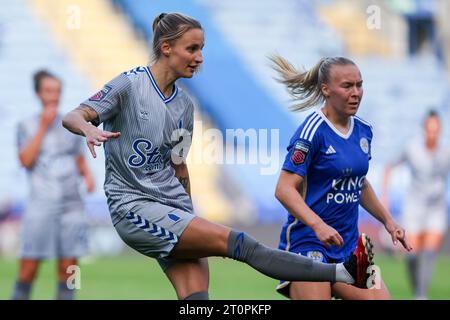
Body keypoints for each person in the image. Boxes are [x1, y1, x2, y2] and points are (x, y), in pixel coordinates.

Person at [61, 12, 372, 300]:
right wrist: (88, 129)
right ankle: (341, 272)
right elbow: (74, 115)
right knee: (239, 243)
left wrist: (188, 215)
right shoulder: (129, 84)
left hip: (173, 212)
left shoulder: (184, 105)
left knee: (198, 302)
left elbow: (178, 165)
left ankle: (341, 271)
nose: (199, 58)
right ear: (167, 48)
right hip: (134, 208)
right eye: (192, 49)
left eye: (202, 49)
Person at [270, 55, 412, 300]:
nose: (356, 92)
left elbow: (359, 183)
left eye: (359, 85)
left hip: (348, 245)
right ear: (326, 89)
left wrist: (388, 221)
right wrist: (318, 225)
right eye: (347, 86)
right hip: (310, 243)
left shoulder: (364, 130)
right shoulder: (312, 132)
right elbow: (284, 189)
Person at [12, 70, 95, 300]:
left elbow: (78, 158)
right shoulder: (26, 125)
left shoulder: (70, 124)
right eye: (48, 91)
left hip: (72, 205)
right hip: (41, 205)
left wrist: (87, 175)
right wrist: (43, 127)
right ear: (38, 94)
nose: (54, 96)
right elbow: (25, 161)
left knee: (70, 269)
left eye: (57, 91)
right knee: (28, 269)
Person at [382, 109, 450, 300]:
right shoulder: (412, 148)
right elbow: (389, 167)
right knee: (412, 254)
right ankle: (417, 290)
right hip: (414, 206)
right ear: (423, 129)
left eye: (436, 130)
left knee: (429, 252)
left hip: (436, 208)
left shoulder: (446, 152)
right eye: (429, 129)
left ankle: (421, 295)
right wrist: (385, 197)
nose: (432, 133)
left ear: (440, 130)